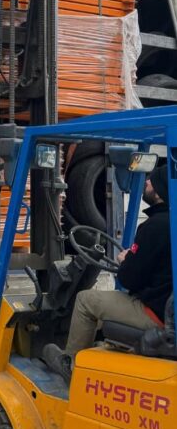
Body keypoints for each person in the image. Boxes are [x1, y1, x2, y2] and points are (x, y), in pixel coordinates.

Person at [44, 163, 174, 382]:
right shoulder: (171, 223)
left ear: (160, 191)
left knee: (86, 300)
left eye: (152, 180)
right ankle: (98, 352)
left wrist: (125, 261)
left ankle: (72, 366)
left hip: (155, 315)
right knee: (106, 301)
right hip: (167, 310)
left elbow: (129, 279)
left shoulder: (155, 227)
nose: (147, 182)